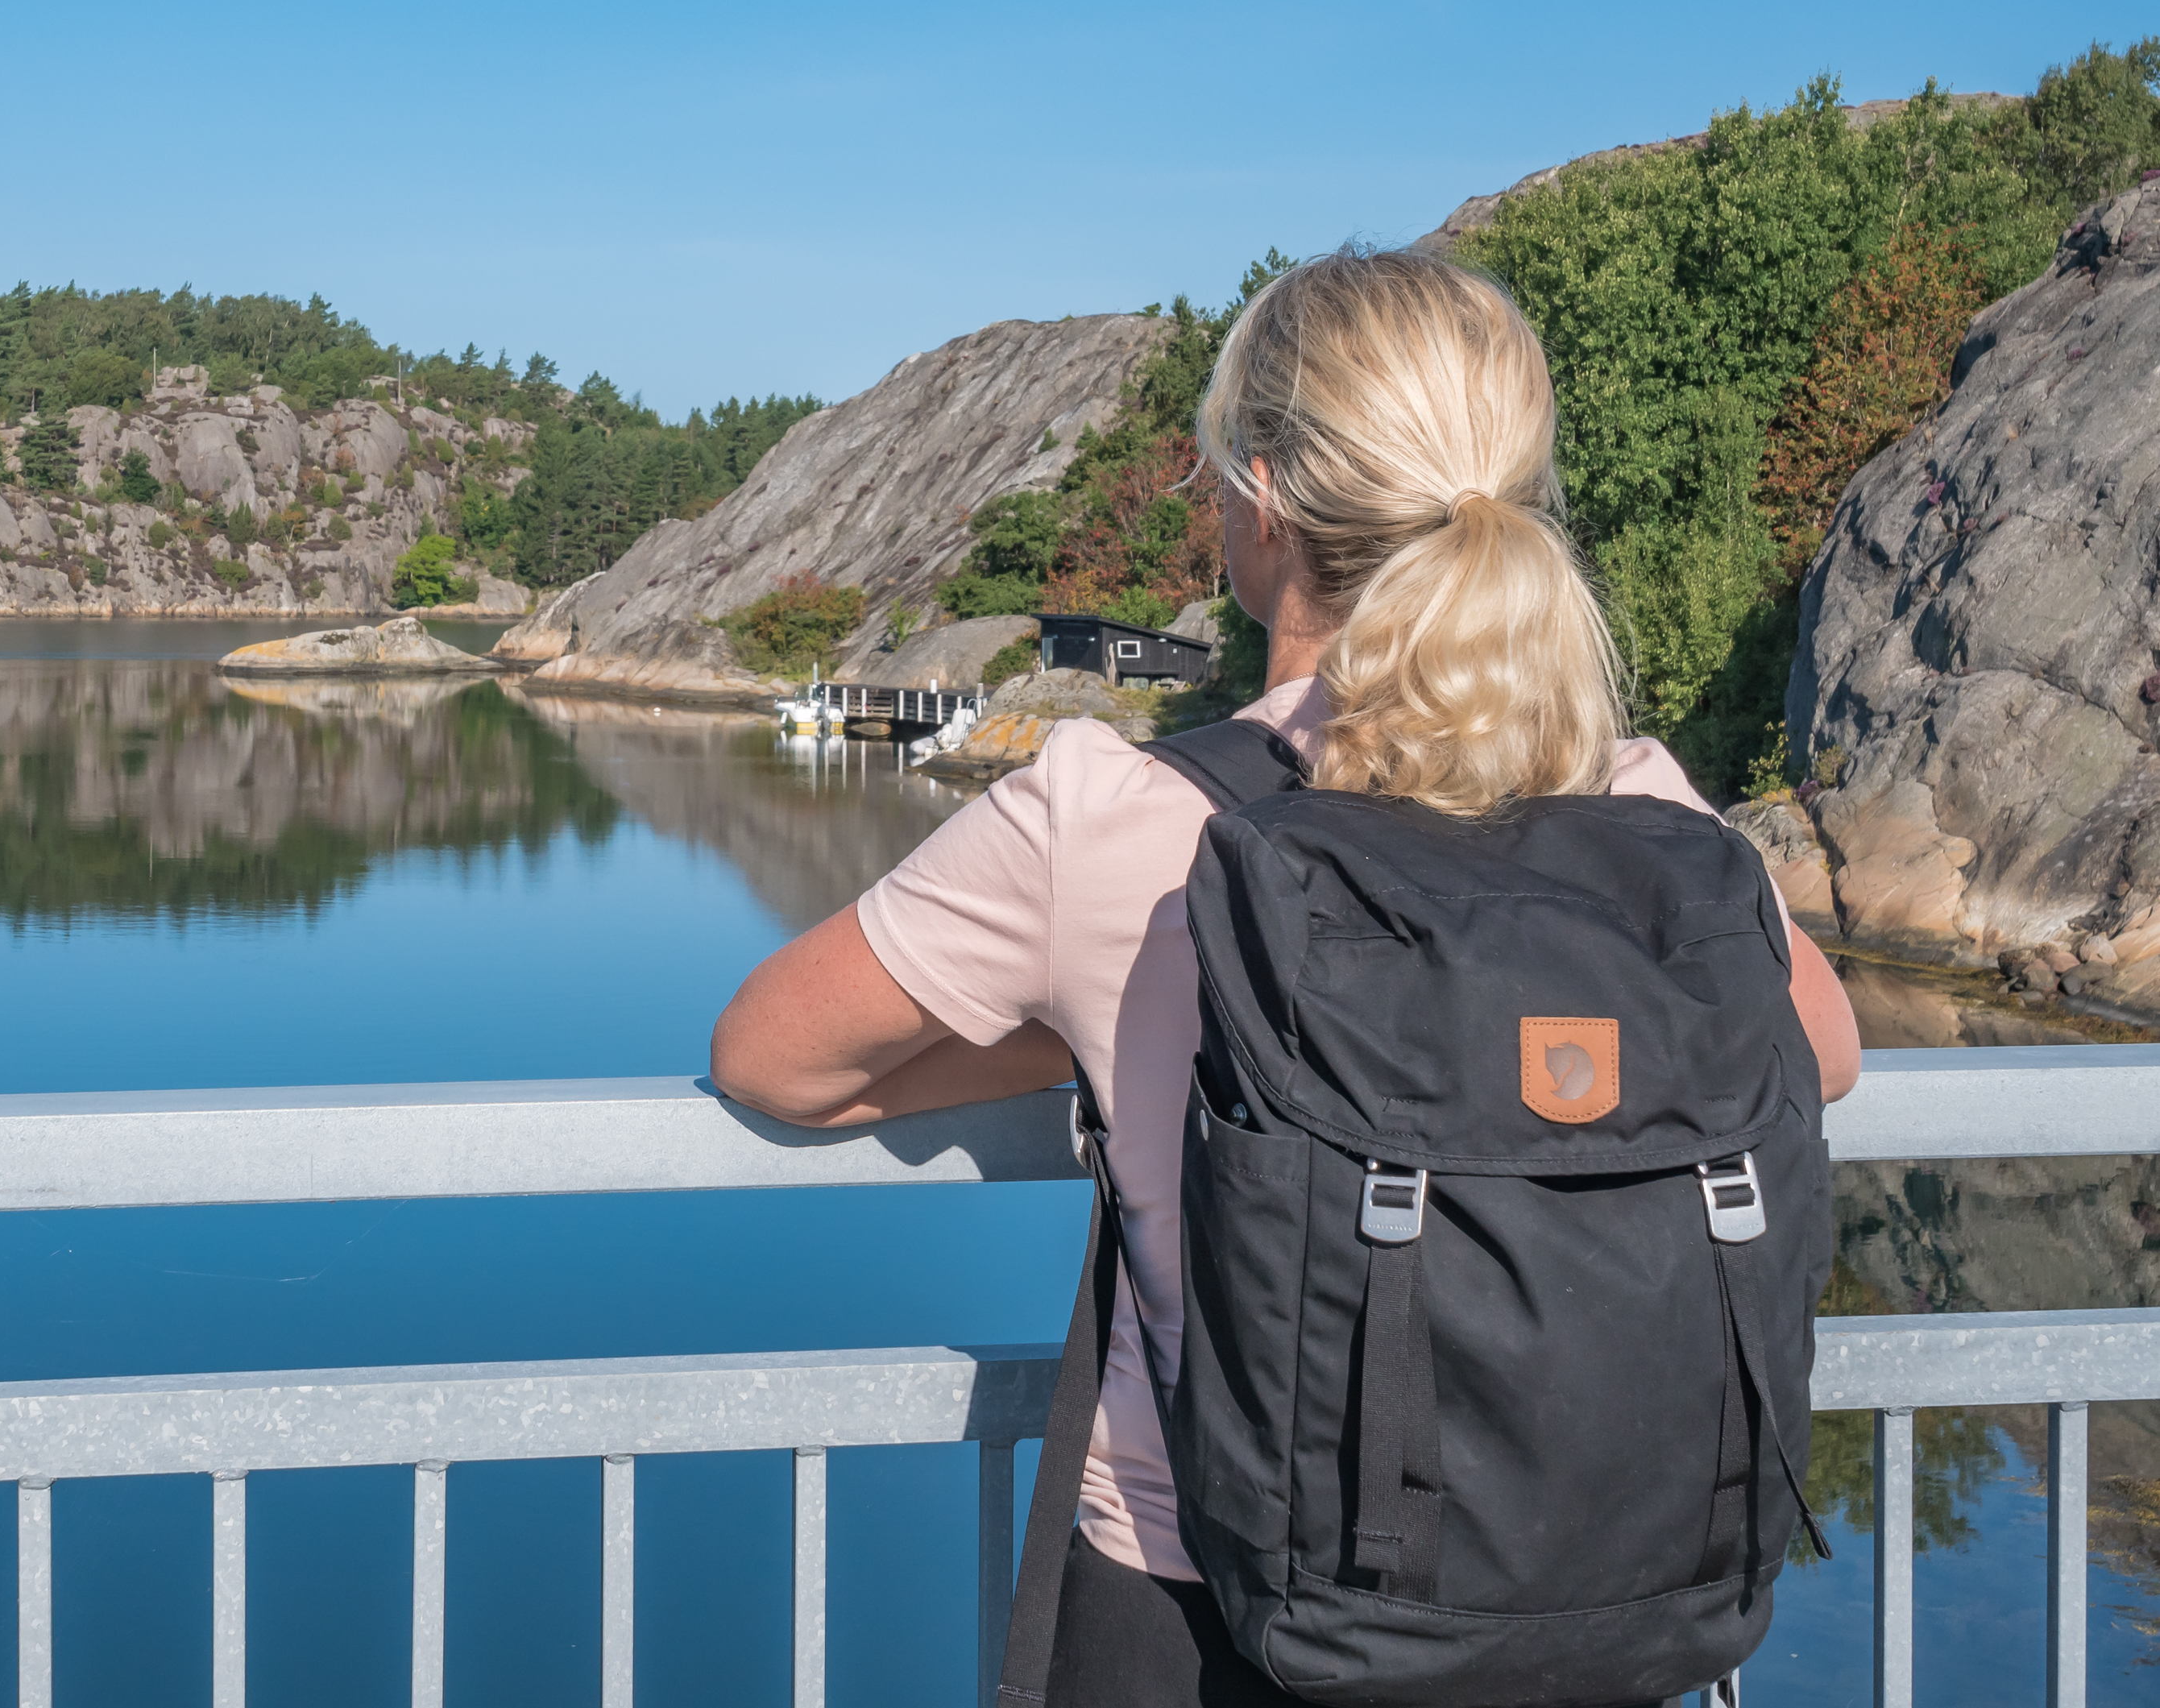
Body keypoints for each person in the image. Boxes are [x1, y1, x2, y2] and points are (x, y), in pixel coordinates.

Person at [709, 246, 1862, 1707]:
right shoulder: (1642, 811)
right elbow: (1820, 1050)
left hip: (1208, 1621)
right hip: (1582, 1619)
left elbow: (774, 1058)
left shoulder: (1116, 820)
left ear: (1263, 496)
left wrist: (1093, 1033)